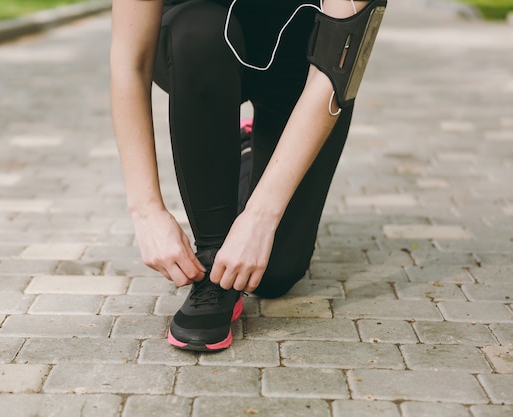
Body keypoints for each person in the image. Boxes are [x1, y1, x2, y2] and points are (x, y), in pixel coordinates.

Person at [110, 0, 377, 351]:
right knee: (199, 30)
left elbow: (336, 71)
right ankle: (213, 263)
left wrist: (261, 217)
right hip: (198, 46)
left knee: (273, 274)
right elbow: (131, 60)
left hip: (302, 65)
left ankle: (249, 153)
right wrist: (145, 209)